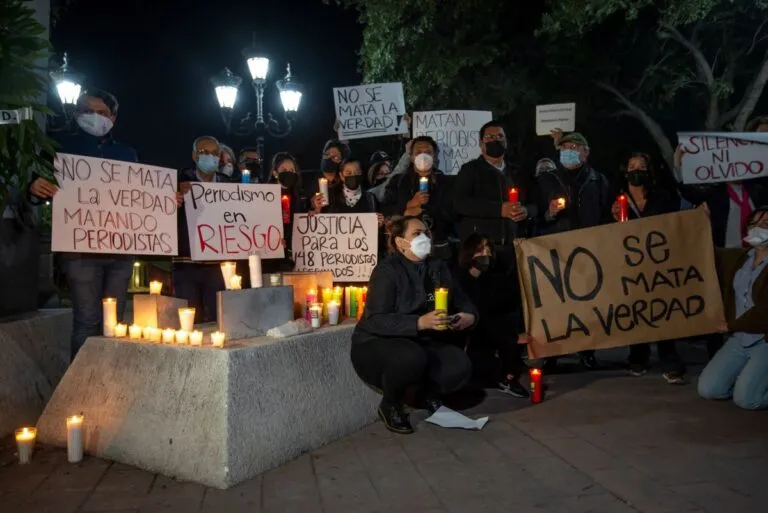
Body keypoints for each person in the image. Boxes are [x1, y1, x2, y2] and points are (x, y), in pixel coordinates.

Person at [29, 89, 137, 359]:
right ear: (77, 114)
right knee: (86, 321)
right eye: (88, 111)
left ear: (113, 118)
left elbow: (139, 197)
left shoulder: (128, 154)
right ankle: (81, 388)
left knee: (115, 323)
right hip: (80, 253)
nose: (95, 118)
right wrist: (35, 187)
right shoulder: (60, 151)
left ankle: (112, 380)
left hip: (120, 252)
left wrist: (163, 199)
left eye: (102, 113)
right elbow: (37, 190)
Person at [351, 216, 478, 434]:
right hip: (378, 343)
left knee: (458, 365)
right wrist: (418, 322)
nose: (424, 237)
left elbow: (461, 299)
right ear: (400, 242)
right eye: (416, 233)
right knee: (411, 357)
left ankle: (426, 395)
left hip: (421, 341)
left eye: (427, 233)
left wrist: (468, 316)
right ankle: (391, 404)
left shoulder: (438, 267)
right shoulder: (387, 271)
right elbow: (375, 319)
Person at [611, 153, 686, 384]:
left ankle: (669, 360)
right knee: (636, 308)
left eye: (642, 167)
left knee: (660, 308)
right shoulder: (616, 199)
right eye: (632, 166)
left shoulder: (661, 197)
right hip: (630, 264)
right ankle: (638, 356)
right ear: (626, 172)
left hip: (657, 262)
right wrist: (613, 217)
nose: (637, 171)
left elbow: (674, 220)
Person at [698, 206, 768, 410]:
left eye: (765, 225)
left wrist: (730, 325)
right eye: (753, 224)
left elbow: (764, 312)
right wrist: (702, 222)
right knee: (709, 389)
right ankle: (752, 379)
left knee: (747, 400)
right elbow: (707, 250)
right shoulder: (740, 258)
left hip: (764, 340)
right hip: (739, 339)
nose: (758, 229)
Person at [456, 234, 529, 397]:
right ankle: (502, 375)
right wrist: (513, 338)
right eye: (480, 251)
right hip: (467, 334)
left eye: (488, 251)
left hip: (487, 332)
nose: (486, 255)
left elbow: (506, 299)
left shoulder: (489, 280)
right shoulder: (458, 279)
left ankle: (508, 370)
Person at [454, 121, 538, 259]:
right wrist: (499, 210)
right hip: (481, 250)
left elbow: (536, 203)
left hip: (516, 248)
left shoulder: (518, 171)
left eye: (500, 136)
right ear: (481, 144)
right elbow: (460, 203)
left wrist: (526, 211)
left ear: (506, 142)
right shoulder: (469, 170)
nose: (495, 140)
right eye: (489, 137)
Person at [173, 135, 230, 323]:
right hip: (186, 263)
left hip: (218, 266)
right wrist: (175, 200)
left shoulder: (230, 185)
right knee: (190, 321)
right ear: (194, 156)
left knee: (222, 319)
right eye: (204, 152)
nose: (210, 157)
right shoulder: (176, 181)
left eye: (215, 153)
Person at [382, 136, 457, 262]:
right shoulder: (398, 181)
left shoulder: (448, 182)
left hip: (439, 249)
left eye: (428, 152)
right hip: (405, 250)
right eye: (418, 152)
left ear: (435, 155)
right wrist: (407, 209)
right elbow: (385, 210)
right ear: (411, 156)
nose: (423, 156)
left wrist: (427, 209)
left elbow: (453, 213)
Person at [265, 152, 307, 272]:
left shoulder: (299, 194)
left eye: (291, 170)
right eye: (283, 169)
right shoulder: (265, 195)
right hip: (270, 256)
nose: (288, 172)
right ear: (275, 173)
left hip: (292, 252)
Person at [305, 139, 349, 212]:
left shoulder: (345, 182)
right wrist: (313, 208)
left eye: (335, 157)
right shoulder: (309, 181)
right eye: (327, 154)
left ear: (342, 161)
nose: (329, 159)